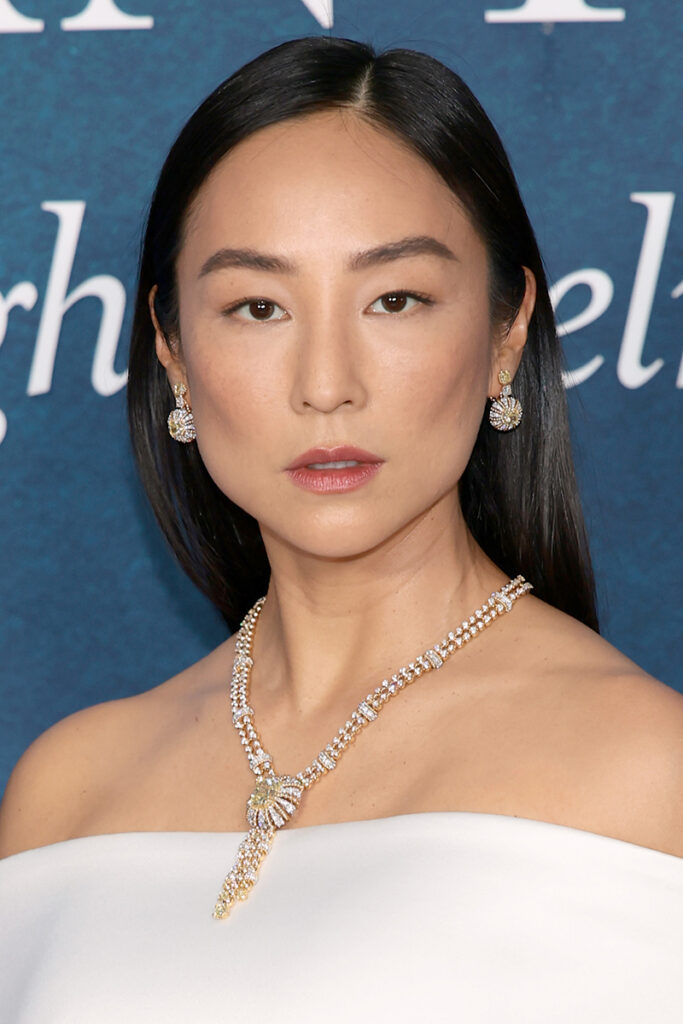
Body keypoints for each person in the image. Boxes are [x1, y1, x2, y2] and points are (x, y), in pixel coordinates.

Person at [1, 34, 682, 1022]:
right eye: (257, 307)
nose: (326, 385)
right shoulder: (65, 791)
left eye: (394, 299)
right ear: (172, 350)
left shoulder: (650, 771)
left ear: (505, 332)